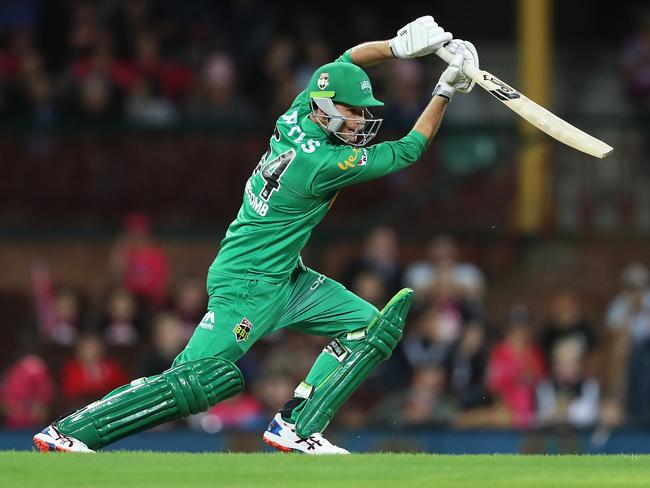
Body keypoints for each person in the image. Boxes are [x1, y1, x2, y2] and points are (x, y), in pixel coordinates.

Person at [34, 16, 479, 454]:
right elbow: (408, 149)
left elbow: (345, 61)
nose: (360, 121)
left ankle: (296, 426)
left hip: (286, 276)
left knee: (369, 329)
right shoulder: (320, 165)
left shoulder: (297, 114)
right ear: (324, 109)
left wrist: (396, 48)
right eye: (352, 111)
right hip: (247, 283)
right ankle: (73, 431)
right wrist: (443, 91)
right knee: (192, 380)